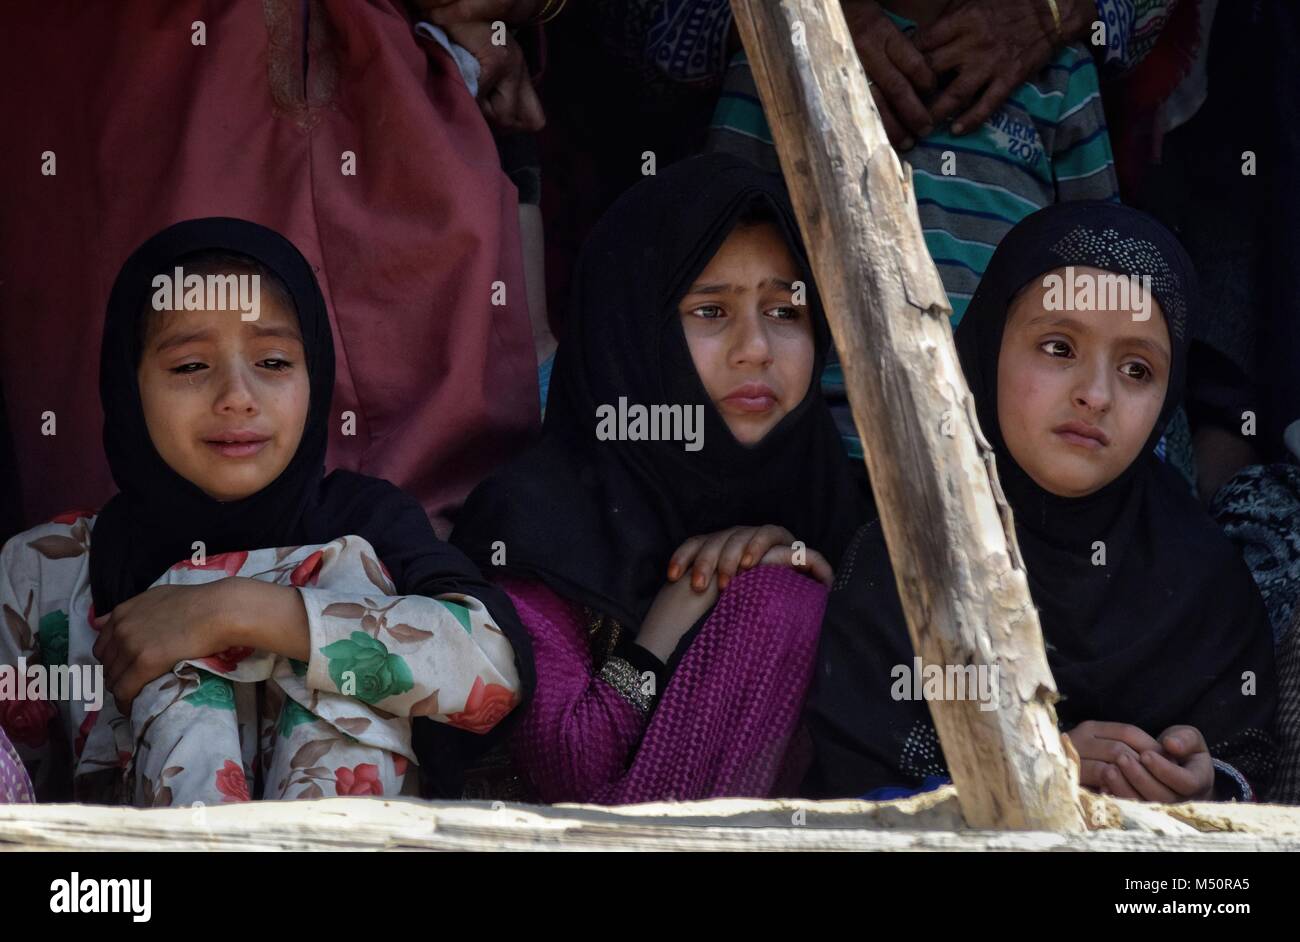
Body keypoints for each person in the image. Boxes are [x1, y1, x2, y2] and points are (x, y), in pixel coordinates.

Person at [0, 219, 531, 804]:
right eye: (189, 366)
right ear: (128, 387)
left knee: (345, 579)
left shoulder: (369, 523)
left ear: (315, 375)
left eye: (274, 362)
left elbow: (495, 671)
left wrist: (230, 610)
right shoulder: (46, 574)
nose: (236, 395)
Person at [805, 202, 1277, 803]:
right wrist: (1041, 772)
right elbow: (857, 786)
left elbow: (1249, 764)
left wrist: (1201, 786)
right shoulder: (906, 559)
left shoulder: (1206, 586)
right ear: (986, 349)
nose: (1096, 395)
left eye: (1137, 369)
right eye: (1058, 348)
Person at [452, 154, 870, 803]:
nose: (755, 347)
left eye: (786, 311)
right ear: (633, 333)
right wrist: (672, 622)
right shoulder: (545, 517)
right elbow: (571, 774)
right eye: (710, 311)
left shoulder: (843, 512)